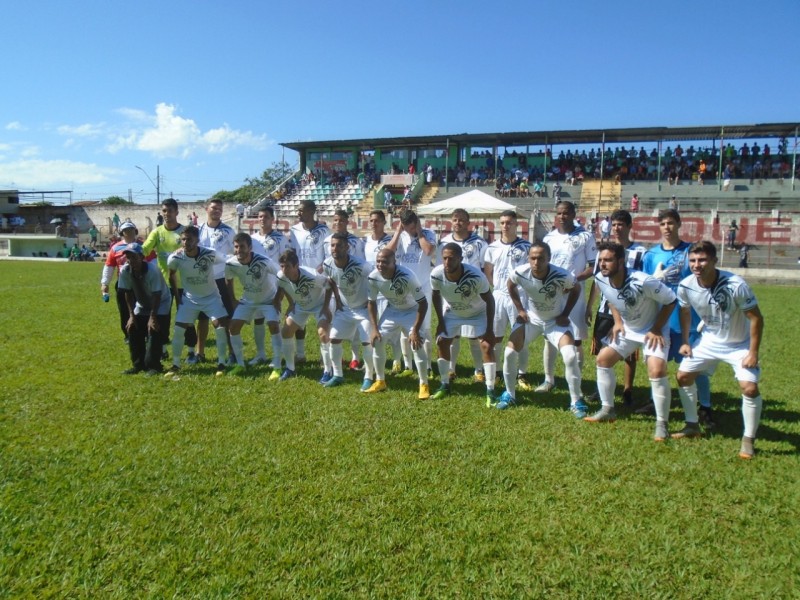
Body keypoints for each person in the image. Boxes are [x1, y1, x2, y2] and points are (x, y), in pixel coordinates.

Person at [674, 241, 764, 458]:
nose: (697, 265)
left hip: (739, 345)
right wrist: (686, 341)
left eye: (703, 260)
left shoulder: (736, 285)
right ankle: (692, 425)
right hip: (709, 341)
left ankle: (748, 440)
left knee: (749, 389)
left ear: (714, 260)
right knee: (683, 376)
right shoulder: (686, 285)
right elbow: (685, 313)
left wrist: (752, 352)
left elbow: (756, 318)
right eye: (693, 260)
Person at [591, 242, 677, 436]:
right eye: (601, 260)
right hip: (629, 329)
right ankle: (607, 409)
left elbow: (671, 300)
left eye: (608, 260)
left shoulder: (644, 281)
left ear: (621, 261)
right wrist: (618, 322)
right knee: (603, 359)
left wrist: (656, 328)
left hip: (653, 330)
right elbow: (611, 299)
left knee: (656, 370)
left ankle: (662, 423)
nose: (603, 264)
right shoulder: (600, 279)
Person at [640, 209, 714, 426]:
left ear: (679, 224)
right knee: (656, 362)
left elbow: (701, 283)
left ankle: (706, 407)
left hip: (685, 317)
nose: (666, 227)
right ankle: (655, 401)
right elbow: (646, 286)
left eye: (670, 223)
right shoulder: (651, 255)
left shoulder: (690, 252)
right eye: (662, 223)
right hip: (660, 319)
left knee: (694, 365)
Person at [497, 243, 583, 413]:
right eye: (533, 258)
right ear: (528, 258)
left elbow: (576, 288)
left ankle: (576, 401)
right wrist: (521, 310)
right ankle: (509, 394)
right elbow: (510, 285)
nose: (536, 262)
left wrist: (565, 314)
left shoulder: (561, 275)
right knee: (509, 353)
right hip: (532, 320)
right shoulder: (520, 272)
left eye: (541, 258)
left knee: (570, 356)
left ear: (548, 259)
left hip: (554, 322)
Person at [585, 209, 647, 407]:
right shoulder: (603, 252)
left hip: (630, 309)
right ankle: (600, 388)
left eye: (621, 224)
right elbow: (596, 282)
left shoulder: (640, 252)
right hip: (606, 308)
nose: (617, 228)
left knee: (629, 353)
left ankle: (628, 389)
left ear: (629, 226)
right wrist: (589, 306)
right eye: (615, 224)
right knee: (603, 348)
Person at [540, 201, 596, 394]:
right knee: (549, 337)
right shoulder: (549, 237)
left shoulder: (585, 236)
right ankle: (549, 380)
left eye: (566, 213)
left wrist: (573, 280)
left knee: (576, 338)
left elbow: (592, 266)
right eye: (559, 213)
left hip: (575, 294)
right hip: (552, 294)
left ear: (574, 214)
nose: (562, 216)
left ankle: (576, 381)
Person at [430, 243, 497, 404]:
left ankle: (490, 391)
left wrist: (489, 328)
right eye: (444, 258)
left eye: (451, 259)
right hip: (453, 312)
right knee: (441, 342)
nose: (447, 262)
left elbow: (490, 299)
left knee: (487, 346)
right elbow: (435, 295)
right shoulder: (436, 274)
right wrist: (440, 321)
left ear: (460, 259)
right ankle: (444, 384)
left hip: (477, 313)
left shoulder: (475, 276)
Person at [165, 226, 230, 377]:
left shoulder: (209, 254)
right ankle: (175, 364)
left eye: (189, 239)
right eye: (183, 239)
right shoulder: (175, 258)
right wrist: (178, 295)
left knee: (219, 327)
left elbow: (227, 260)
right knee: (179, 329)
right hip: (189, 299)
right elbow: (172, 275)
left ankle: (221, 363)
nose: (186, 242)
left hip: (211, 297)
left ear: (197, 240)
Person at [365, 248, 431, 399]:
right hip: (392, 310)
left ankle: (423, 384)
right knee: (377, 340)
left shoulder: (407, 276)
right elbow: (371, 303)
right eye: (378, 261)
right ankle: (380, 381)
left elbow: (423, 303)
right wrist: (374, 329)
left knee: (417, 343)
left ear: (394, 262)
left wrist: (415, 329)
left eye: (385, 262)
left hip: (412, 310)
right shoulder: (373, 277)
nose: (381, 265)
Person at [142, 197, 198, 361]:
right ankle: (163, 349)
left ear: (177, 212)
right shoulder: (157, 232)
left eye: (170, 211)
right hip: (163, 285)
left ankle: (191, 351)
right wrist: (132, 248)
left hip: (184, 284)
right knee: (162, 318)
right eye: (164, 211)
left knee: (186, 317)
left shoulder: (184, 232)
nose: (167, 214)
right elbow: (145, 249)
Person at [438, 209, 489, 383]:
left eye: (461, 220)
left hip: (472, 294)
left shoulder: (480, 243)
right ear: (450, 222)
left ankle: (478, 370)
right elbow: (440, 268)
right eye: (455, 220)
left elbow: (484, 268)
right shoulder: (444, 242)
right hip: (450, 292)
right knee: (453, 335)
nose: (458, 223)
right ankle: (451, 369)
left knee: (474, 335)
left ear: (468, 223)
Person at [484, 210, 533, 390]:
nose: (505, 226)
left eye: (509, 223)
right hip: (498, 297)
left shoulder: (526, 247)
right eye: (503, 222)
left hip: (519, 298)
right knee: (496, 337)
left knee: (521, 338)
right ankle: (497, 373)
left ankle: (522, 374)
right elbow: (488, 271)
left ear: (516, 224)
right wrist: (497, 286)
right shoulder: (492, 248)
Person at [322, 233, 376, 390]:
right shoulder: (327, 264)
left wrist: (370, 301)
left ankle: (368, 377)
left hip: (363, 309)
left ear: (347, 247)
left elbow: (375, 279)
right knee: (334, 339)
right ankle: (338, 375)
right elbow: (331, 281)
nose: (335, 248)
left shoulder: (361, 265)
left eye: (339, 245)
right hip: (344, 310)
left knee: (367, 342)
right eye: (332, 245)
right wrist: (334, 301)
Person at [387, 210, 437, 376]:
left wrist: (420, 232)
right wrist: (397, 233)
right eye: (406, 227)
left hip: (423, 288)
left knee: (425, 328)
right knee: (404, 328)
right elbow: (388, 253)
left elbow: (429, 251)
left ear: (416, 223)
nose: (410, 231)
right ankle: (408, 366)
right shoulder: (399, 237)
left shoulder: (429, 234)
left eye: (412, 226)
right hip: (403, 289)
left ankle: (428, 366)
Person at [224, 233, 281, 377]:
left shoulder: (264, 261)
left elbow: (282, 276)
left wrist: (278, 299)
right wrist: (233, 299)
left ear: (250, 247)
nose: (239, 250)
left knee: (274, 326)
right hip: (248, 300)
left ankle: (277, 364)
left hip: (268, 300)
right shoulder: (231, 263)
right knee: (233, 327)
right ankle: (240, 364)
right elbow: (228, 280)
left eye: (242, 246)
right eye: (236, 247)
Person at [274, 248, 336, 381]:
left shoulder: (311, 275)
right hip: (301, 306)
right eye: (282, 266)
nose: (284, 270)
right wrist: (291, 303)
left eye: (288, 266)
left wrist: (326, 307)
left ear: (296, 266)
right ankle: (290, 368)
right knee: (286, 331)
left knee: (323, 333)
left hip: (320, 303)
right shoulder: (281, 276)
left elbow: (329, 285)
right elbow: (283, 287)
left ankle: (328, 370)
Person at [117, 243, 172, 375]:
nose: (131, 261)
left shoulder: (153, 271)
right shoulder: (125, 271)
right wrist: (131, 315)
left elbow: (157, 295)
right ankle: (138, 364)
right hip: (142, 304)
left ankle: (154, 365)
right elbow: (128, 293)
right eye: (128, 257)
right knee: (133, 327)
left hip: (161, 303)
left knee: (154, 329)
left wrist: (153, 317)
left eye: (134, 257)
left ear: (142, 257)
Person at [323, 209, 366, 372]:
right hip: (334, 285)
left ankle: (355, 357)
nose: (338, 223)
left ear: (347, 222)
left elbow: (361, 263)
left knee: (354, 323)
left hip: (352, 288)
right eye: (335, 220)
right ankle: (336, 357)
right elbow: (326, 263)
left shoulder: (356, 241)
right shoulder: (327, 240)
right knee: (333, 322)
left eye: (341, 220)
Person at [289, 200, 331, 364]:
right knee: (300, 318)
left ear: (312, 210)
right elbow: (293, 253)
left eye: (301, 210)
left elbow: (327, 256)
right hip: (299, 280)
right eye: (298, 210)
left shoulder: (323, 230)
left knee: (323, 319)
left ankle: (324, 357)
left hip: (319, 280)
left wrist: (316, 273)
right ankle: (300, 354)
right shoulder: (294, 230)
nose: (299, 213)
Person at [249, 204, 291, 365]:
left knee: (273, 321)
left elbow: (285, 262)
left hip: (274, 286)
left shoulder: (280, 239)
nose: (262, 219)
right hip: (257, 285)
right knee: (258, 319)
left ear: (272, 219)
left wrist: (281, 289)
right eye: (260, 217)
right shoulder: (253, 239)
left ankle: (277, 356)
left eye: (266, 216)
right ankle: (260, 354)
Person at [196, 198, 237, 364]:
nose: (217, 211)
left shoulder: (228, 231)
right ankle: (200, 353)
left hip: (220, 279)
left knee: (225, 318)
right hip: (201, 280)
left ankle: (232, 352)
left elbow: (233, 254)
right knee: (202, 318)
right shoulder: (197, 230)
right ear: (206, 209)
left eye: (219, 209)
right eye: (214, 208)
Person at [363, 210, 403, 374]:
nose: (374, 223)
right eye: (371, 220)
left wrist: (398, 232)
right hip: (373, 288)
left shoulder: (390, 240)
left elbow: (390, 251)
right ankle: (374, 359)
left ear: (383, 222)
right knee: (373, 326)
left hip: (388, 288)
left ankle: (397, 360)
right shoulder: (366, 240)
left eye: (377, 221)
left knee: (392, 329)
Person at [101, 221, 141, 344]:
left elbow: (152, 263)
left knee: (141, 309)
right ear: (122, 233)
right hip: (123, 284)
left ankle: (142, 332)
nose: (129, 233)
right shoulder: (115, 248)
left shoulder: (143, 246)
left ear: (135, 231)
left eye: (131, 230)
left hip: (140, 282)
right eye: (126, 231)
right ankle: (128, 334)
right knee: (124, 310)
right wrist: (105, 283)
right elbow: (109, 266)